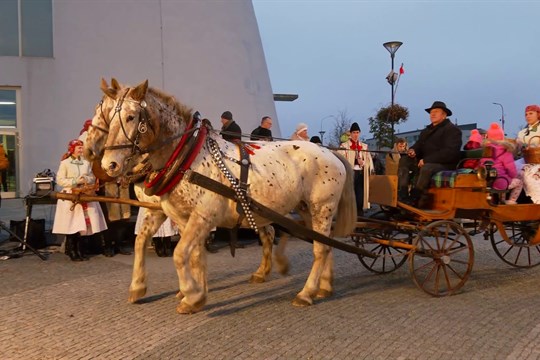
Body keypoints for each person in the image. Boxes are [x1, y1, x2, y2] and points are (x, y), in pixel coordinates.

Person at [52, 139, 108, 261]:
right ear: (72, 149)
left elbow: (92, 177)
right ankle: (72, 250)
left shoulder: (86, 163)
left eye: (82, 148)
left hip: (84, 194)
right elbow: (60, 180)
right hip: (70, 197)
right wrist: (75, 181)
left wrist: (86, 179)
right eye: (79, 148)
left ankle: (81, 250)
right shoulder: (65, 163)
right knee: (72, 224)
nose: (81, 150)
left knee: (83, 225)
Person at [398, 101, 462, 207]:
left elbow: (450, 152)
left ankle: (415, 198)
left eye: (436, 112)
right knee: (404, 160)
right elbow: (418, 145)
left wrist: (427, 160)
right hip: (425, 162)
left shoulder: (452, 130)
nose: (432, 114)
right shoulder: (426, 131)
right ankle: (402, 194)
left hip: (445, 164)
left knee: (427, 168)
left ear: (444, 115)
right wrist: (413, 151)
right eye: (431, 112)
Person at [479, 123, 523, 204]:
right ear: (502, 137)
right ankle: (511, 201)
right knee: (519, 181)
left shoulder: (485, 150)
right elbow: (511, 170)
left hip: (486, 182)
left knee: (504, 177)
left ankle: (501, 200)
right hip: (500, 182)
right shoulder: (505, 151)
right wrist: (513, 176)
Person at [339, 122, 374, 216]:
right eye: (354, 132)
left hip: (361, 173)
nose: (356, 134)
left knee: (360, 196)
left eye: (357, 132)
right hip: (350, 173)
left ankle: (360, 215)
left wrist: (363, 163)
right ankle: (350, 215)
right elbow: (340, 160)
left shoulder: (364, 146)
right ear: (350, 133)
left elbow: (369, 160)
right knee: (350, 195)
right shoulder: (344, 146)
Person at [516, 105, 540, 203]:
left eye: (531, 114)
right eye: (526, 114)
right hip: (527, 158)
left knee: (530, 174)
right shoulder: (522, 132)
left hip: (538, 158)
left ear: (538, 114)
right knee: (513, 169)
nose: (528, 116)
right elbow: (518, 150)